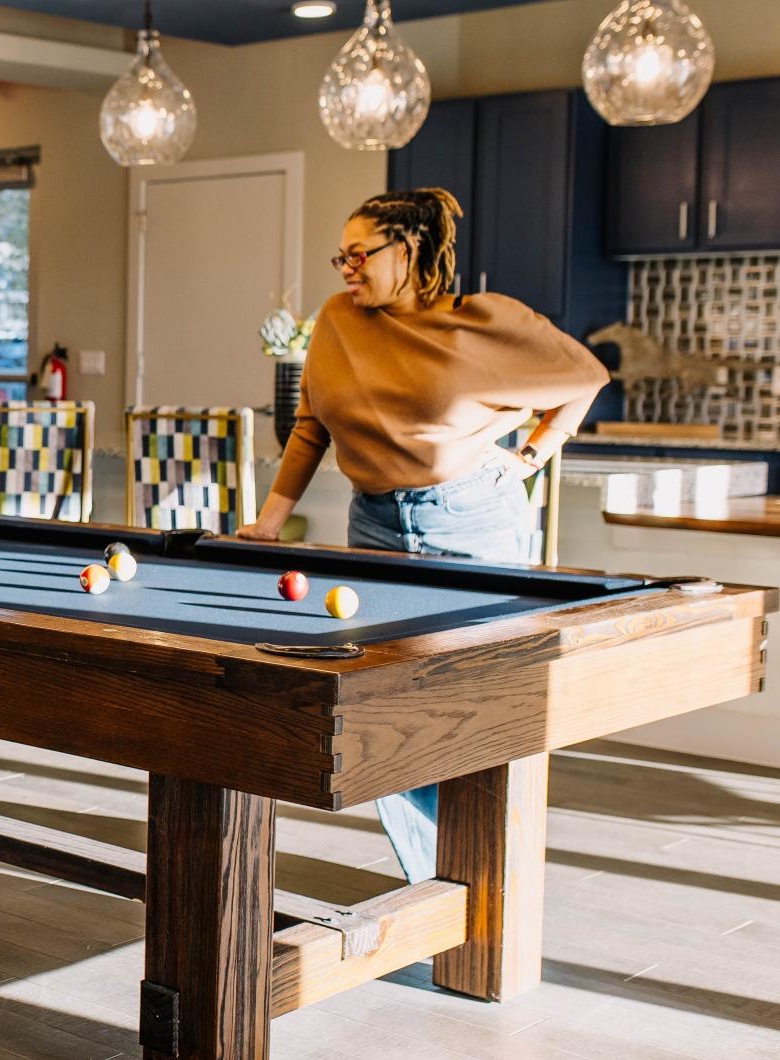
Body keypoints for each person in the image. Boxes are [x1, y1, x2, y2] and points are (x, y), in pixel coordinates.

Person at [238, 188, 609, 883]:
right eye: (340, 255)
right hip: (374, 526)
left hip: (472, 523)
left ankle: (485, 876)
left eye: (359, 253)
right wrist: (269, 519)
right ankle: (444, 881)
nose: (346, 267)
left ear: (406, 249)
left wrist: (530, 453)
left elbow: (585, 376)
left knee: (470, 708)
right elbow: (311, 423)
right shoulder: (337, 324)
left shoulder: (482, 323)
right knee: (382, 712)